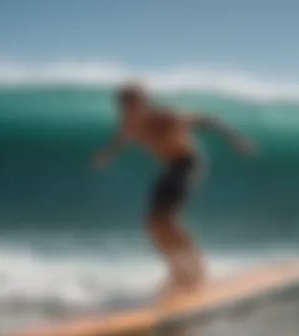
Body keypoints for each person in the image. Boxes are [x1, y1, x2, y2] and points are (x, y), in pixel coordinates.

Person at [92, 81, 256, 297]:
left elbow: (208, 121)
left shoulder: (167, 116)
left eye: (135, 104)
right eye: (125, 105)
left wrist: (237, 140)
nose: (130, 110)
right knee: (153, 225)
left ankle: (196, 270)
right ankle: (178, 271)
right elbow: (121, 139)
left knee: (167, 220)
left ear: (144, 103)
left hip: (188, 164)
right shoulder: (128, 124)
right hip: (170, 167)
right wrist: (108, 154)